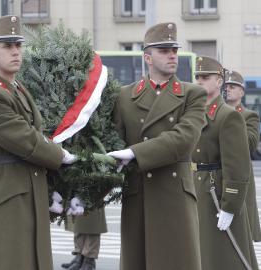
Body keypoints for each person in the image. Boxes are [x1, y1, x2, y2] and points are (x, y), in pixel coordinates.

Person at [0, 15, 77, 270]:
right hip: (4, 194)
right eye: (7, 46)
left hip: (23, 189)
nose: (16, 52)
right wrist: (60, 155)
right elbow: (24, 139)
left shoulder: (15, 87)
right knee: (8, 260)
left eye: (18, 46)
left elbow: (34, 132)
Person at [108, 22, 206, 270]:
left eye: (174, 49)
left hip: (173, 194)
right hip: (139, 193)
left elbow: (184, 139)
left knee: (176, 261)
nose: (172, 54)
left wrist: (134, 153)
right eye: (164, 50)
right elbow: (113, 140)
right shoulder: (125, 96)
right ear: (147, 58)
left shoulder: (192, 94)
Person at [192, 57, 259, 270]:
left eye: (206, 77)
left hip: (215, 189)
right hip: (196, 188)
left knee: (224, 254)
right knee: (199, 253)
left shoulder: (228, 116)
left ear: (218, 81)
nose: (200, 81)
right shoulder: (193, 112)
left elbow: (237, 165)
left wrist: (229, 205)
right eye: (197, 77)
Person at [224, 70, 261, 242]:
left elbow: (251, 144)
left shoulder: (248, 116)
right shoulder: (211, 113)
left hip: (239, 179)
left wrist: (232, 122)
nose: (228, 89)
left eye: (233, 86)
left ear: (242, 92)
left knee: (242, 234)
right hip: (217, 177)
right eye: (226, 86)